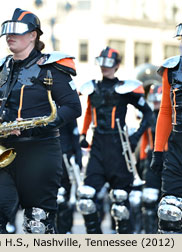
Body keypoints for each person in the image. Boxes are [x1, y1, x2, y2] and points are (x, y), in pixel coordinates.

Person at [0, 8, 81, 234]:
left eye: (17, 32)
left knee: (37, 225)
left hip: (40, 151)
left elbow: (73, 107)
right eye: (7, 32)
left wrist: (40, 126)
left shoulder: (52, 67)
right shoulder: (0, 68)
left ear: (33, 35)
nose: (10, 36)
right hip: (1, 150)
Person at [77, 46, 152, 234]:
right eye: (101, 62)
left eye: (109, 63)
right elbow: (88, 111)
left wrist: (135, 137)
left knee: (120, 201)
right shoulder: (92, 87)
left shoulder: (125, 89)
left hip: (119, 149)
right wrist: (83, 134)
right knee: (86, 197)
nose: (104, 67)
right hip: (98, 148)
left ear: (117, 65)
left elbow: (148, 113)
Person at [150, 23, 182, 234]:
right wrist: (158, 151)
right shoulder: (172, 69)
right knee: (169, 212)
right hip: (177, 147)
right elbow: (165, 111)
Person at [135, 63, 163, 233]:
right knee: (148, 199)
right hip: (151, 159)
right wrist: (144, 161)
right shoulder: (149, 116)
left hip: (171, 159)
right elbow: (144, 140)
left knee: (169, 202)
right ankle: (150, 235)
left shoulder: (172, 115)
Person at [56, 120, 82, 233]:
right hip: (49, 156)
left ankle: (66, 229)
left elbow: (75, 136)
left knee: (65, 197)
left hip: (66, 158)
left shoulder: (67, 108)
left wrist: (78, 157)